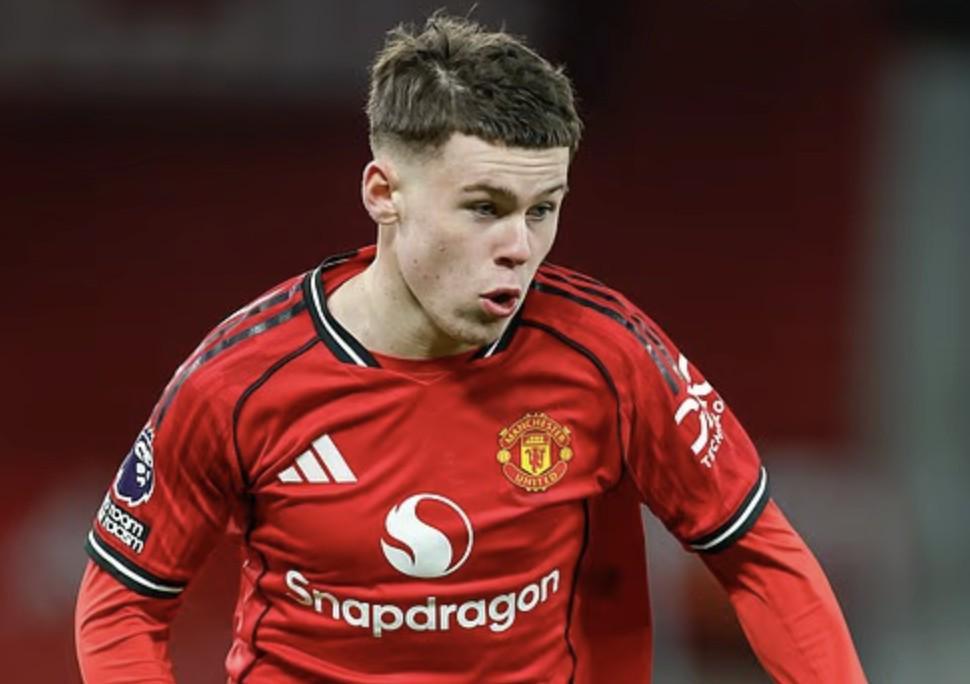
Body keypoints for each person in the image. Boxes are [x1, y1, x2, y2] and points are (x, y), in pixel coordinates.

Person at [75, 13, 867, 683]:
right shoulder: (238, 381)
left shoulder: (608, 356)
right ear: (383, 193)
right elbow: (121, 604)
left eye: (543, 209)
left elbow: (760, 556)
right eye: (485, 207)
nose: (519, 247)